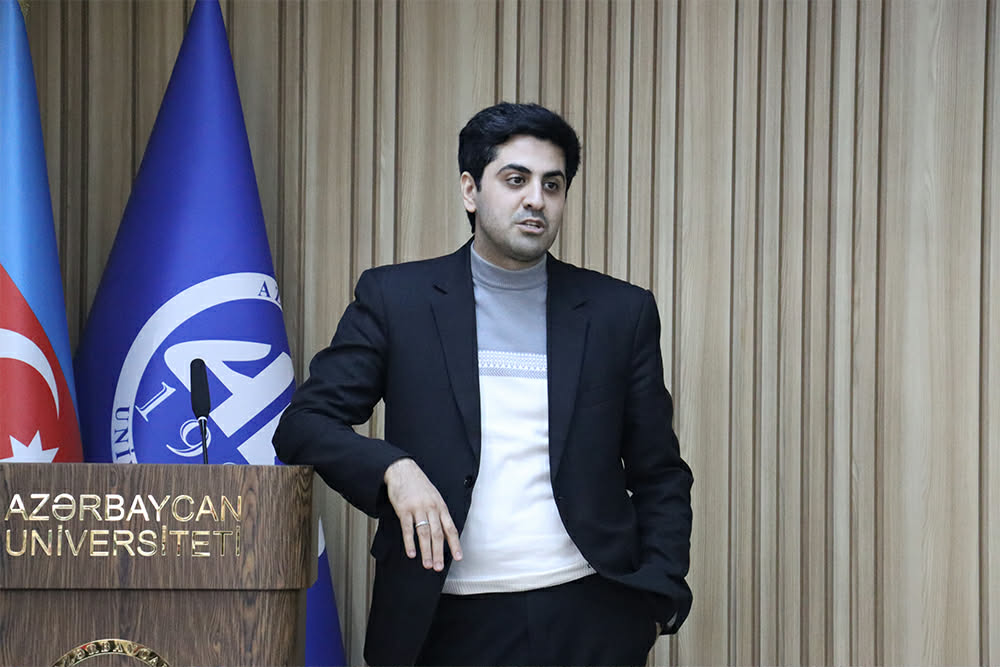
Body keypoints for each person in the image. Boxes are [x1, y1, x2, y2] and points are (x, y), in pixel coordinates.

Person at [273, 102, 693, 667]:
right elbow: (304, 424)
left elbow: (659, 471)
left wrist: (658, 594)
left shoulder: (620, 312)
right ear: (470, 190)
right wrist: (394, 469)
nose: (536, 199)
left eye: (552, 184)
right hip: (444, 618)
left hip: (591, 612)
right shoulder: (397, 300)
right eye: (516, 180)